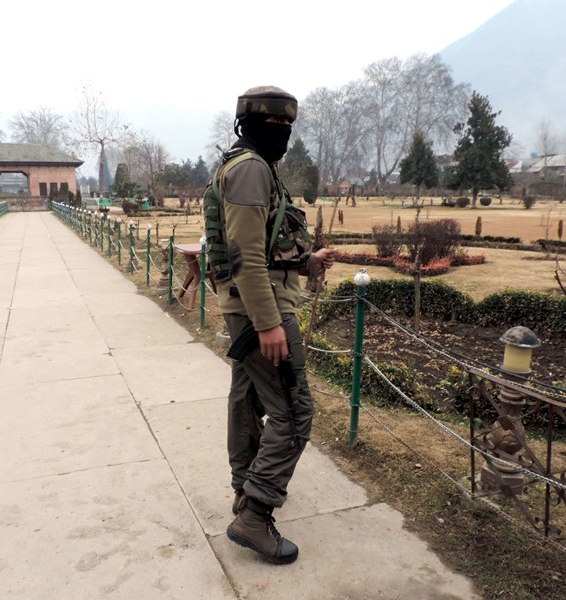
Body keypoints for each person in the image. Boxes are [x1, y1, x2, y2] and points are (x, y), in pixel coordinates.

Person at [213, 86, 336, 565]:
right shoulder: (250, 170)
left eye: (289, 127)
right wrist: (269, 325)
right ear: (250, 125)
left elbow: (264, 246)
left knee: (246, 400)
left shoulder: (248, 165)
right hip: (261, 310)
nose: (282, 136)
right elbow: (245, 257)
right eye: (275, 128)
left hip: (250, 305)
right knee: (294, 412)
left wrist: (307, 261)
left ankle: (246, 491)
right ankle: (254, 512)